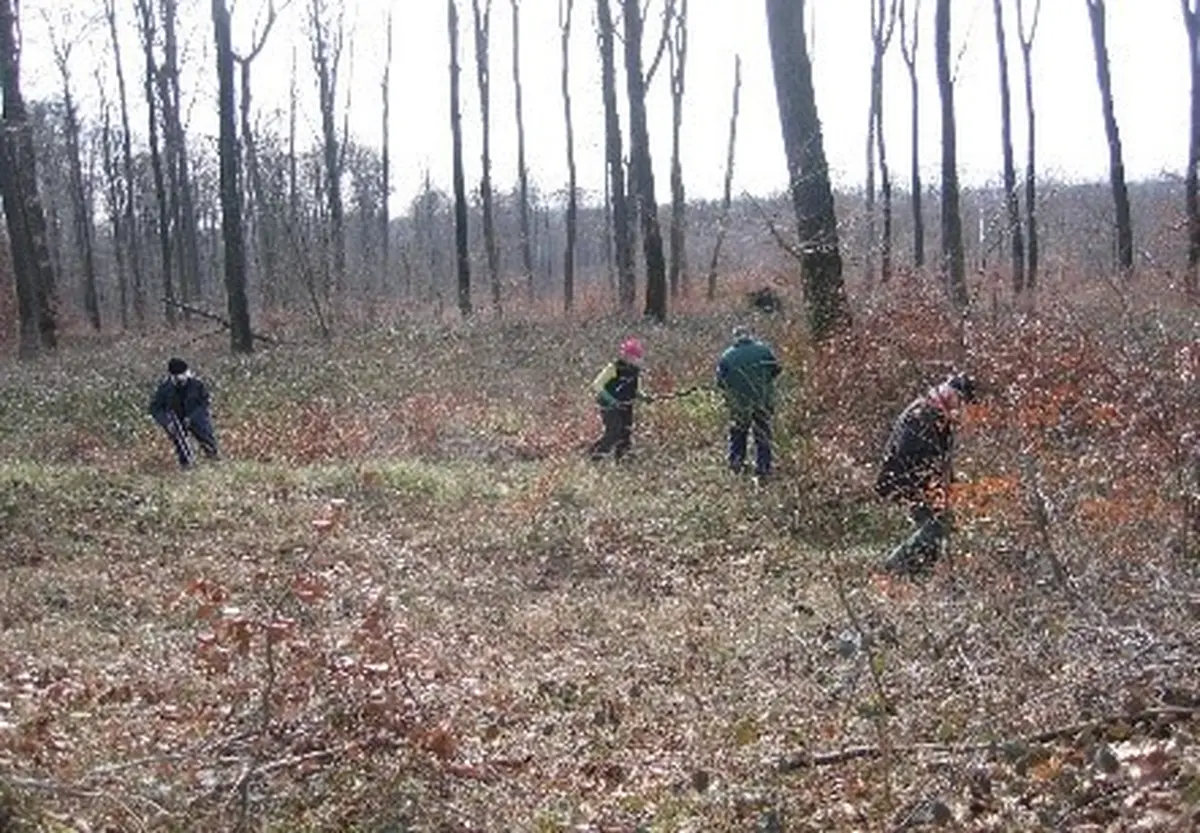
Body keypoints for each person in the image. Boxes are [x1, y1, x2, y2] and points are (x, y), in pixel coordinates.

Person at [875, 372, 977, 576]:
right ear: (951, 395)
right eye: (961, 400)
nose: (962, 408)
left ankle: (917, 575)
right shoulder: (922, 413)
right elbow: (911, 455)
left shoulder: (938, 416)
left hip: (919, 482)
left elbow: (942, 460)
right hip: (903, 481)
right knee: (938, 525)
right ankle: (893, 566)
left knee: (938, 526)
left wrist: (949, 485)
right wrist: (935, 484)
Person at [716, 325, 782, 482]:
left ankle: (736, 463)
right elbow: (776, 370)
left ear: (735, 338)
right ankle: (764, 467)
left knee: (738, 433)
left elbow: (720, 382)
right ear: (751, 336)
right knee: (763, 435)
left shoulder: (727, 356)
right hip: (762, 401)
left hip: (739, 404)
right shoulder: (764, 351)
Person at [588, 337, 652, 461]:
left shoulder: (635, 372)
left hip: (627, 405)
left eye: (637, 357)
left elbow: (636, 390)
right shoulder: (614, 368)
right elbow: (597, 385)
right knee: (614, 431)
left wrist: (644, 397)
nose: (636, 360)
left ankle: (623, 458)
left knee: (626, 431)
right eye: (632, 356)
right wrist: (612, 400)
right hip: (609, 406)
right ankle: (596, 455)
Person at [149, 357, 219, 469]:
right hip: (175, 420)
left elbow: (204, 403)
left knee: (207, 439)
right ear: (172, 376)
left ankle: (214, 461)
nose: (182, 377)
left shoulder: (197, 385)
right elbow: (155, 408)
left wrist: (193, 417)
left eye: (184, 373)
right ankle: (187, 466)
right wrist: (167, 422)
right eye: (178, 376)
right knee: (181, 444)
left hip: (197, 418)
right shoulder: (164, 389)